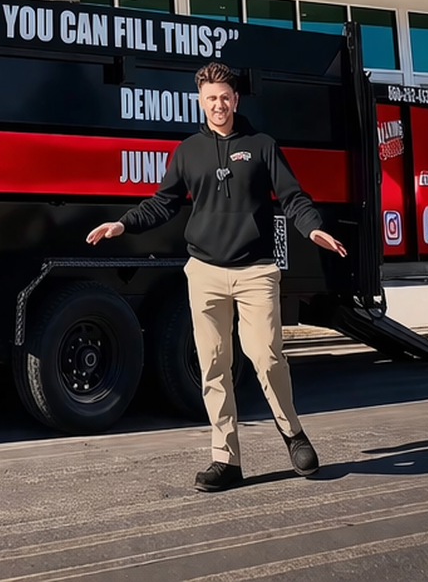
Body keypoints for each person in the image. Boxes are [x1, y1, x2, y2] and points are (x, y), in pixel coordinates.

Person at [87, 60, 347, 492]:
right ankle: (226, 460)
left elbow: (292, 195)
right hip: (204, 271)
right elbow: (164, 202)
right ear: (201, 102)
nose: (219, 104)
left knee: (265, 356)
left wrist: (311, 226)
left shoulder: (262, 145)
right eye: (211, 99)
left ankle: (293, 433)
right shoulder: (188, 151)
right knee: (212, 365)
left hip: (256, 271)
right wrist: (124, 224)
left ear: (235, 99)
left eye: (225, 97)